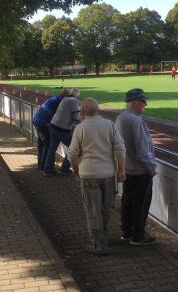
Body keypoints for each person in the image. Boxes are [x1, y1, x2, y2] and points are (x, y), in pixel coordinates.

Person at [68, 98, 126, 255]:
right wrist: (121, 170)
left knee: (93, 210)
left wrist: (74, 167)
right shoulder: (109, 125)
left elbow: (72, 153)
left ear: (82, 112)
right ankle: (103, 238)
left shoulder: (80, 128)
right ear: (98, 110)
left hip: (88, 174)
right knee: (105, 208)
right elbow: (120, 148)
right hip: (108, 173)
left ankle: (98, 244)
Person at [115, 88, 157, 246]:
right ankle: (138, 236)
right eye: (142, 101)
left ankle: (126, 232)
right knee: (140, 204)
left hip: (127, 168)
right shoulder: (135, 120)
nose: (145, 104)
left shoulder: (120, 118)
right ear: (134, 103)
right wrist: (151, 168)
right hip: (140, 171)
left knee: (127, 201)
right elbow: (142, 149)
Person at [43, 88, 81, 176]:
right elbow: (77, 117)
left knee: (52, 148)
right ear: (77, 95)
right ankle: (65, 168)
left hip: (53, 125)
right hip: (62, 128)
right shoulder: (74, 101)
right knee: (73, 147)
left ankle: (48, 169)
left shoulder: (65, 99)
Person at [33, 89, 69, 171]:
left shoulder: (56, 98)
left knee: (41, 144)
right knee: (48, 144)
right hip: (43, 122)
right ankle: (44, 167)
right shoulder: (60, 101)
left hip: (37, 120)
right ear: (66, 96)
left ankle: (40, 165)